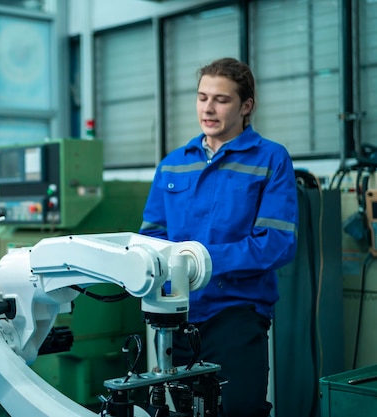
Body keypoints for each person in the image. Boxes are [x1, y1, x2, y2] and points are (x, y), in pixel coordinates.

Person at [139, 57, 298, 417]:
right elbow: (152, 235)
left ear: (246, 106)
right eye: (201, 97)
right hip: (176, 315)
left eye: (221, 100)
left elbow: (276, 242)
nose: (208, 108)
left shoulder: (271, 159)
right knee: (175, 410)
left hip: (236, 314)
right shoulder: (173, 164)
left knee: (238, 408)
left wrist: (202, 262)